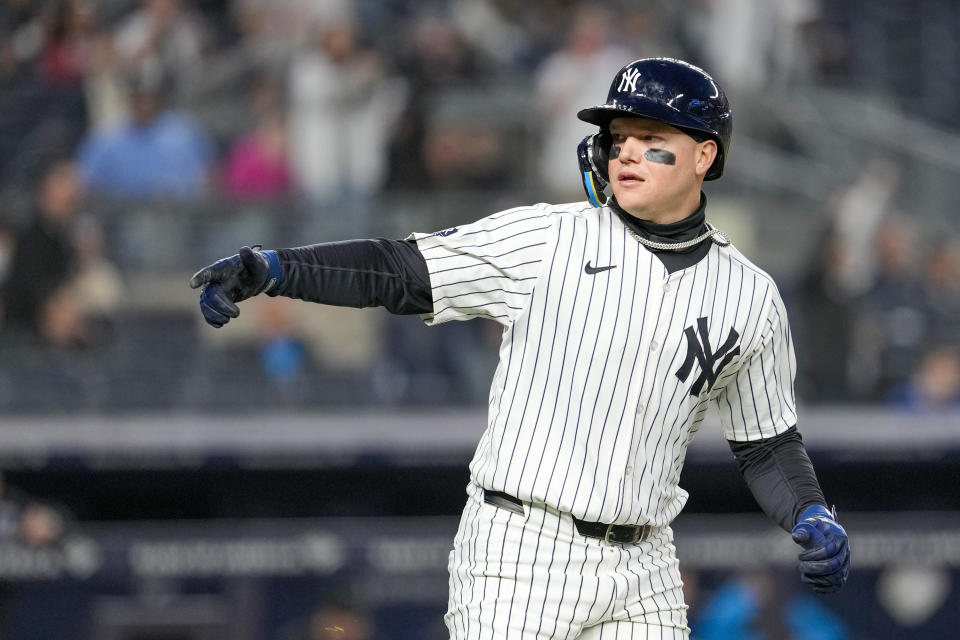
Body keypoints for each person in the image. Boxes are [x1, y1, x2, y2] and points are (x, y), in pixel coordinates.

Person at [190, 58, 850, 639]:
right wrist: (273, 268)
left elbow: (767, 443)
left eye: (651, 140)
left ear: (704, 157)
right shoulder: (549, 239)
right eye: (617, 138)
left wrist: (809, 510)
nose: (623, 153)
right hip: (523, 549)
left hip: (646, 560)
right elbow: (400, 270)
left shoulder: (751, 296)